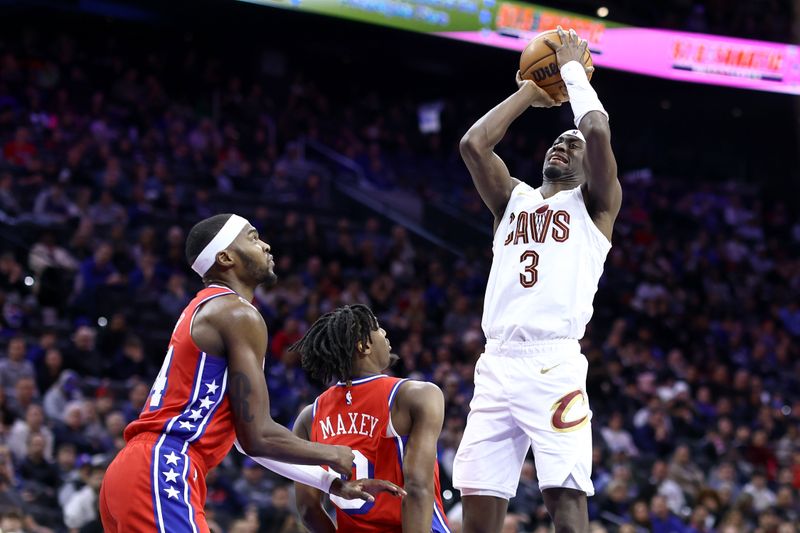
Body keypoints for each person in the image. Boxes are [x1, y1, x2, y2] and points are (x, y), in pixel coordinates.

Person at [99, 214, 401, 532]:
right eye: (253, 237)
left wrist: (327, 482)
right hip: (164, 466)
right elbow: (259, 436)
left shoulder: (207, 308)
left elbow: (247, 441)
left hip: (135, 471)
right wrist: (335, 454)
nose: (266, 245)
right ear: (226, 257)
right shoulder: (237, 313)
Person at [454, 27, 620, 532]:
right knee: (478, 498)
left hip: (552, 364)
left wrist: (570, 72)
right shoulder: (514, 200)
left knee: (564, 499)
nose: (563, 147)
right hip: (496, 362)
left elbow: (595, 131)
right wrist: (530, 90)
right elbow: (473, 143)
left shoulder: (596, 208)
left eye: (571, 146)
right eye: (557, 141)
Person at [288, 304, 450, 533]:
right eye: (378, 328)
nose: (384, 333)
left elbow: (308, 510)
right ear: (364, 346)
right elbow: (417, 488)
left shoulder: (309, 416)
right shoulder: (415, 395)